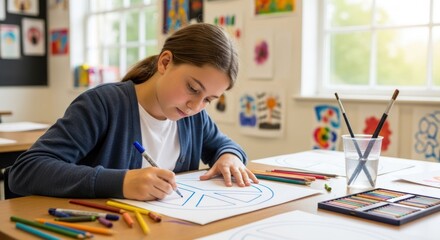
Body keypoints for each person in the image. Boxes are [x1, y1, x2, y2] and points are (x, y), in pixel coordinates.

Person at [8, 23, 259, 201]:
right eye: (193, 88)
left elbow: (224, 146)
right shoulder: (103, 105)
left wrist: (230, 156)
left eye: (209, 99)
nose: (196, 105)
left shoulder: (194, 117)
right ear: (165, 62)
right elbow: (26, 170)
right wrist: (122, 182)